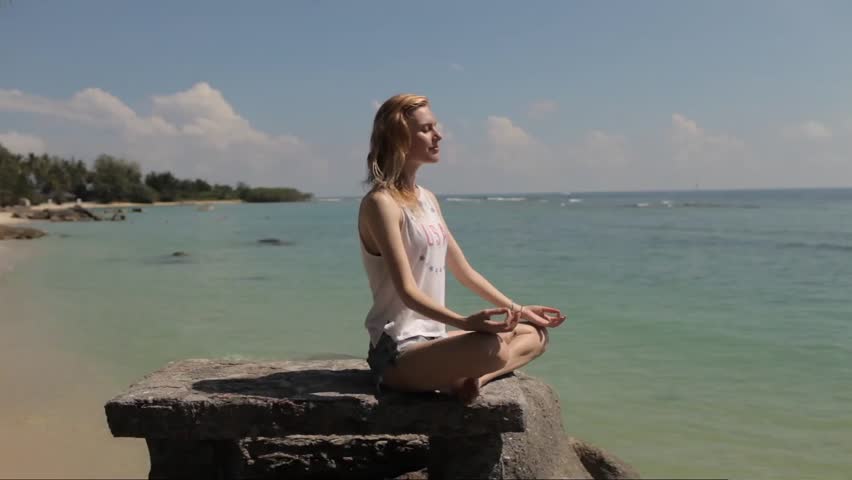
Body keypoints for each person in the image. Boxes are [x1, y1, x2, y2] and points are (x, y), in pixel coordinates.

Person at [358, 93, 566, 403]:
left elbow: (465, 272)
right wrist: (466, 323)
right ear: (400, 137)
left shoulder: (427, 199)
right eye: (426, 129)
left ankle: (474, 379)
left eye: (435, 127)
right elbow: (407, 292)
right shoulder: (381, 204)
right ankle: (466, 374)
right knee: (488, 347)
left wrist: (518, 310)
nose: (438, 135)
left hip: (435, 342)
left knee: (534, 334)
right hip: (397, 353)